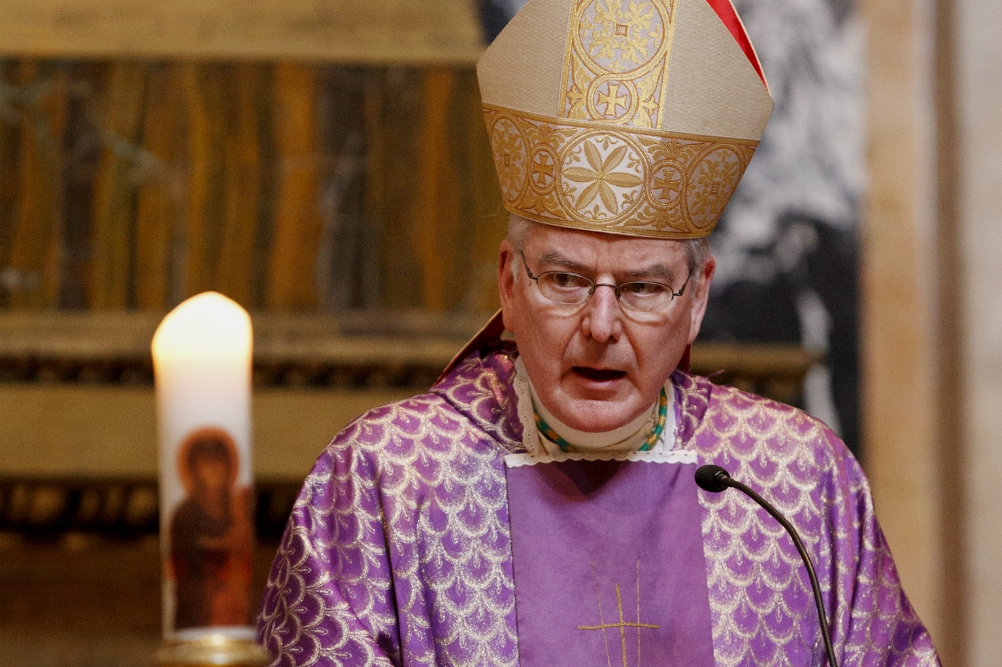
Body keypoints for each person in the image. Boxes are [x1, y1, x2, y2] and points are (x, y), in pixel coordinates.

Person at [257, 0, 940, 664]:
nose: (602, 326)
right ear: (509, 282)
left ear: (697, 296)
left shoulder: (794, 481)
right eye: (564, 279)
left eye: (643, 287)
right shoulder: (383, 482)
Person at [170, 428, 254, 630]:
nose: (215, 470)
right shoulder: (186, 513)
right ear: (194, 469)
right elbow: (185, 558)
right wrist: (221, 546)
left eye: (220, 462)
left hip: (237, 594)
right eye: (206, 464)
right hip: (203, 601)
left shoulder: (237, 506)